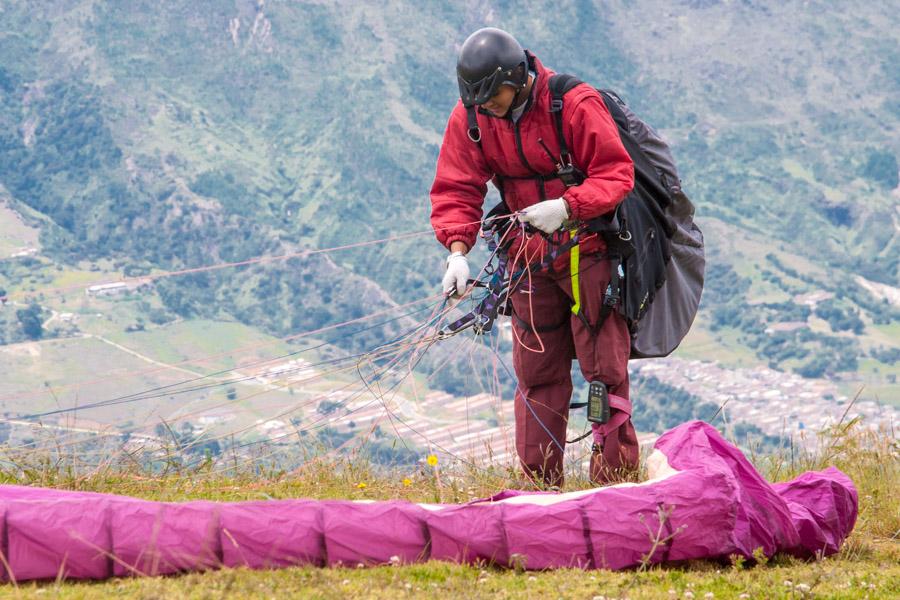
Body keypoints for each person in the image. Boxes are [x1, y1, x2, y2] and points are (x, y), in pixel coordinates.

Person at [430, 27, 639, 487]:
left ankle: (615, 485)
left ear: (518, 77)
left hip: (589, 253)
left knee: (603, 370)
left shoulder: (573, 104)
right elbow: (457, 186)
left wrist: (568, 207)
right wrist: (457, 253)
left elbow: (616, 173)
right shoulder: (474, 117)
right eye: (479, 101)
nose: (488, 108)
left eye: (493, 98)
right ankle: (541, 487)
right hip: (526, 258)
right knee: (537, 373)